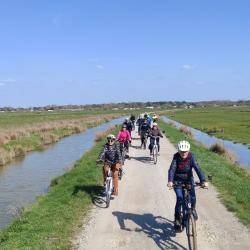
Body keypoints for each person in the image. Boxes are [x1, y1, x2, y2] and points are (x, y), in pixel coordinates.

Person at [167, 140, 208, 228]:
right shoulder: (176, 157)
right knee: (180, 198)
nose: (183, 153)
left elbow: (197, 168)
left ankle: (192, 209)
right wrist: (170, 181)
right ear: (178, 150)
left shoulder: (191, 157)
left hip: (189, 180)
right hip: (177, 180)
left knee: (192, 197)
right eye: (181, 151)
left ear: (188, 150)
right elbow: (172, 169)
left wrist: (203, 181)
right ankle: (177, 218)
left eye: (185, 151)